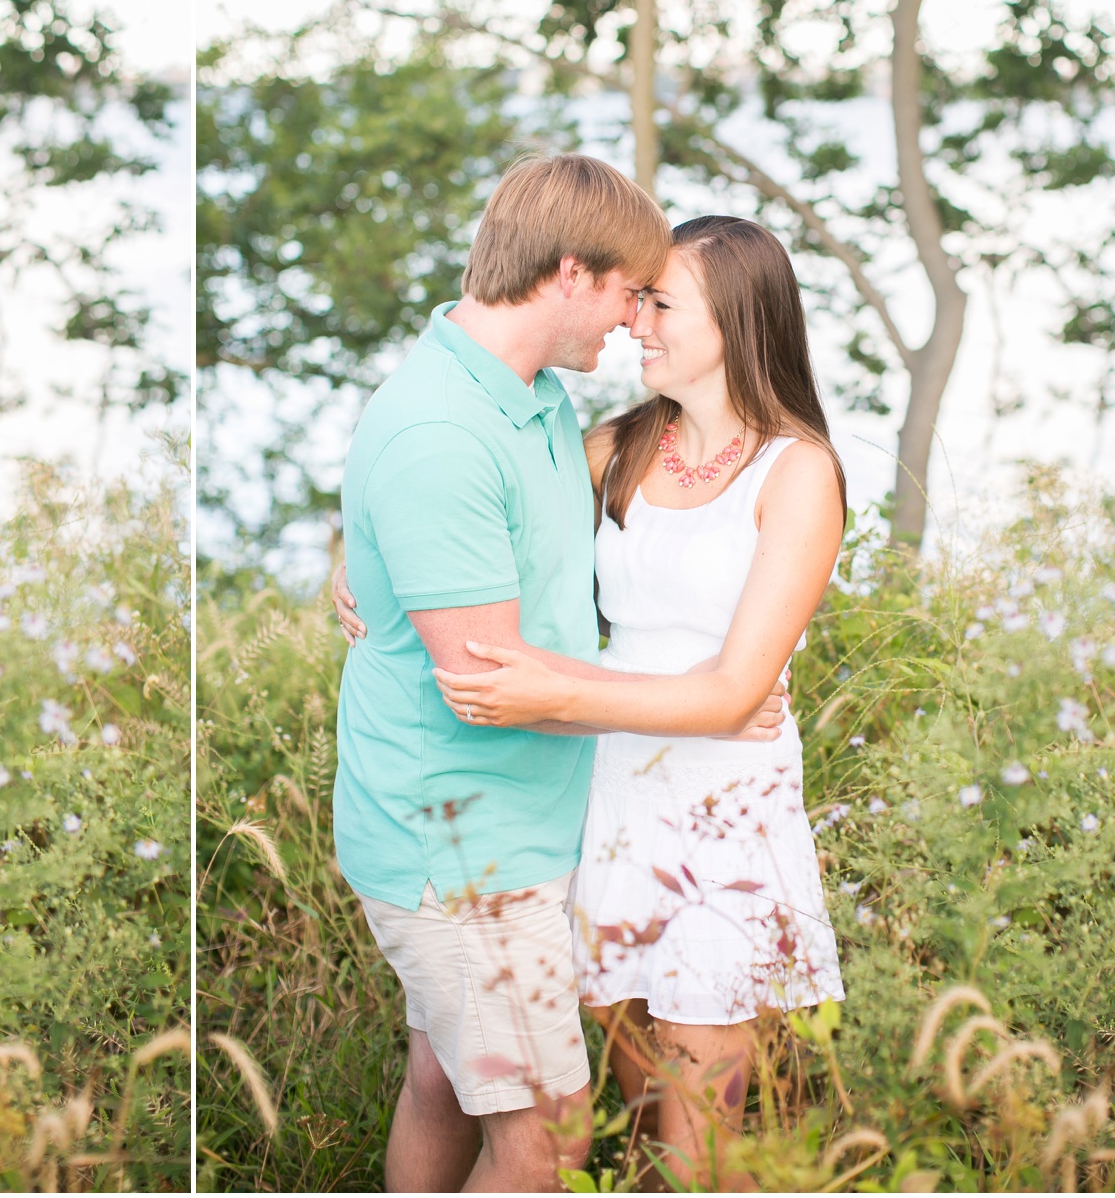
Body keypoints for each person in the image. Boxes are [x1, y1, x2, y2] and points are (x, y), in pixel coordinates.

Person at [341, 213, 847, 1191]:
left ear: (736, 320)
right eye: (636, 297)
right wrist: (353, 556)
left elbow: (735, 694)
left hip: (721, 805)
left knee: (702, 1121)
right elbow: (446, 503)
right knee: (637, 1103)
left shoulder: (797, 472)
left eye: (661, 303)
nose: (635, 323)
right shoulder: (617, 443)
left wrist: (551, 688)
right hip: (607, 792)